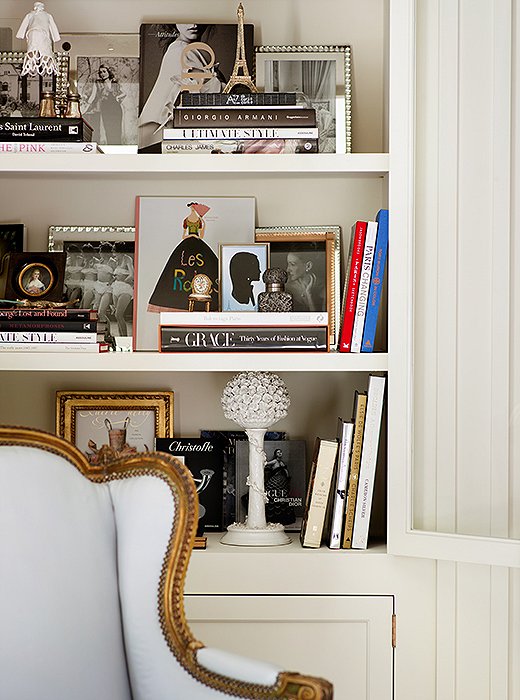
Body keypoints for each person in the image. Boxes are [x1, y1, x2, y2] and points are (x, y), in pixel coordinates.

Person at [138, 24, 225, 151]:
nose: (194, 24)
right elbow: (212, 98)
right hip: (159, 141)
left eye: (199, 18)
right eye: (186, 20)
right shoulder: (182, 51)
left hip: (152, 140)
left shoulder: (180, 48)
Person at [148, 202, 218, 312]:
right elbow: (183, 235)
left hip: (199, 245)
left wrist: (198, 232)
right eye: (192, 208)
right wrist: (191, 236)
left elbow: (202, 234)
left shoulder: (200, 221)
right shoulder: (186, 220)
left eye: (194, 208)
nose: (193, 210)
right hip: (186, 245)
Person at [83, 64, 126, 144]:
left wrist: (117, 98)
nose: (102, 74)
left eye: (104, 71)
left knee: (117, 130)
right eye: (100, 72)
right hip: (106, 109)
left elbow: (124, 93)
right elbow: (92, 97)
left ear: (108, 72)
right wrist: (84, 110)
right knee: (108, 130)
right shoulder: (98, 83)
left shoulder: (115, 82)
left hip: (116, 109)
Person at [16, 2, 60, 76]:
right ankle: (38, 64)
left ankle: (35, 64)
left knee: (34, 51)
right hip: (40, 35)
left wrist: (20, 35)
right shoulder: (46, 15)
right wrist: (56, 37)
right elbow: (53, 28)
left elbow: (23, 26)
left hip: (35, 34)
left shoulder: (31, 15)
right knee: (43, 52)